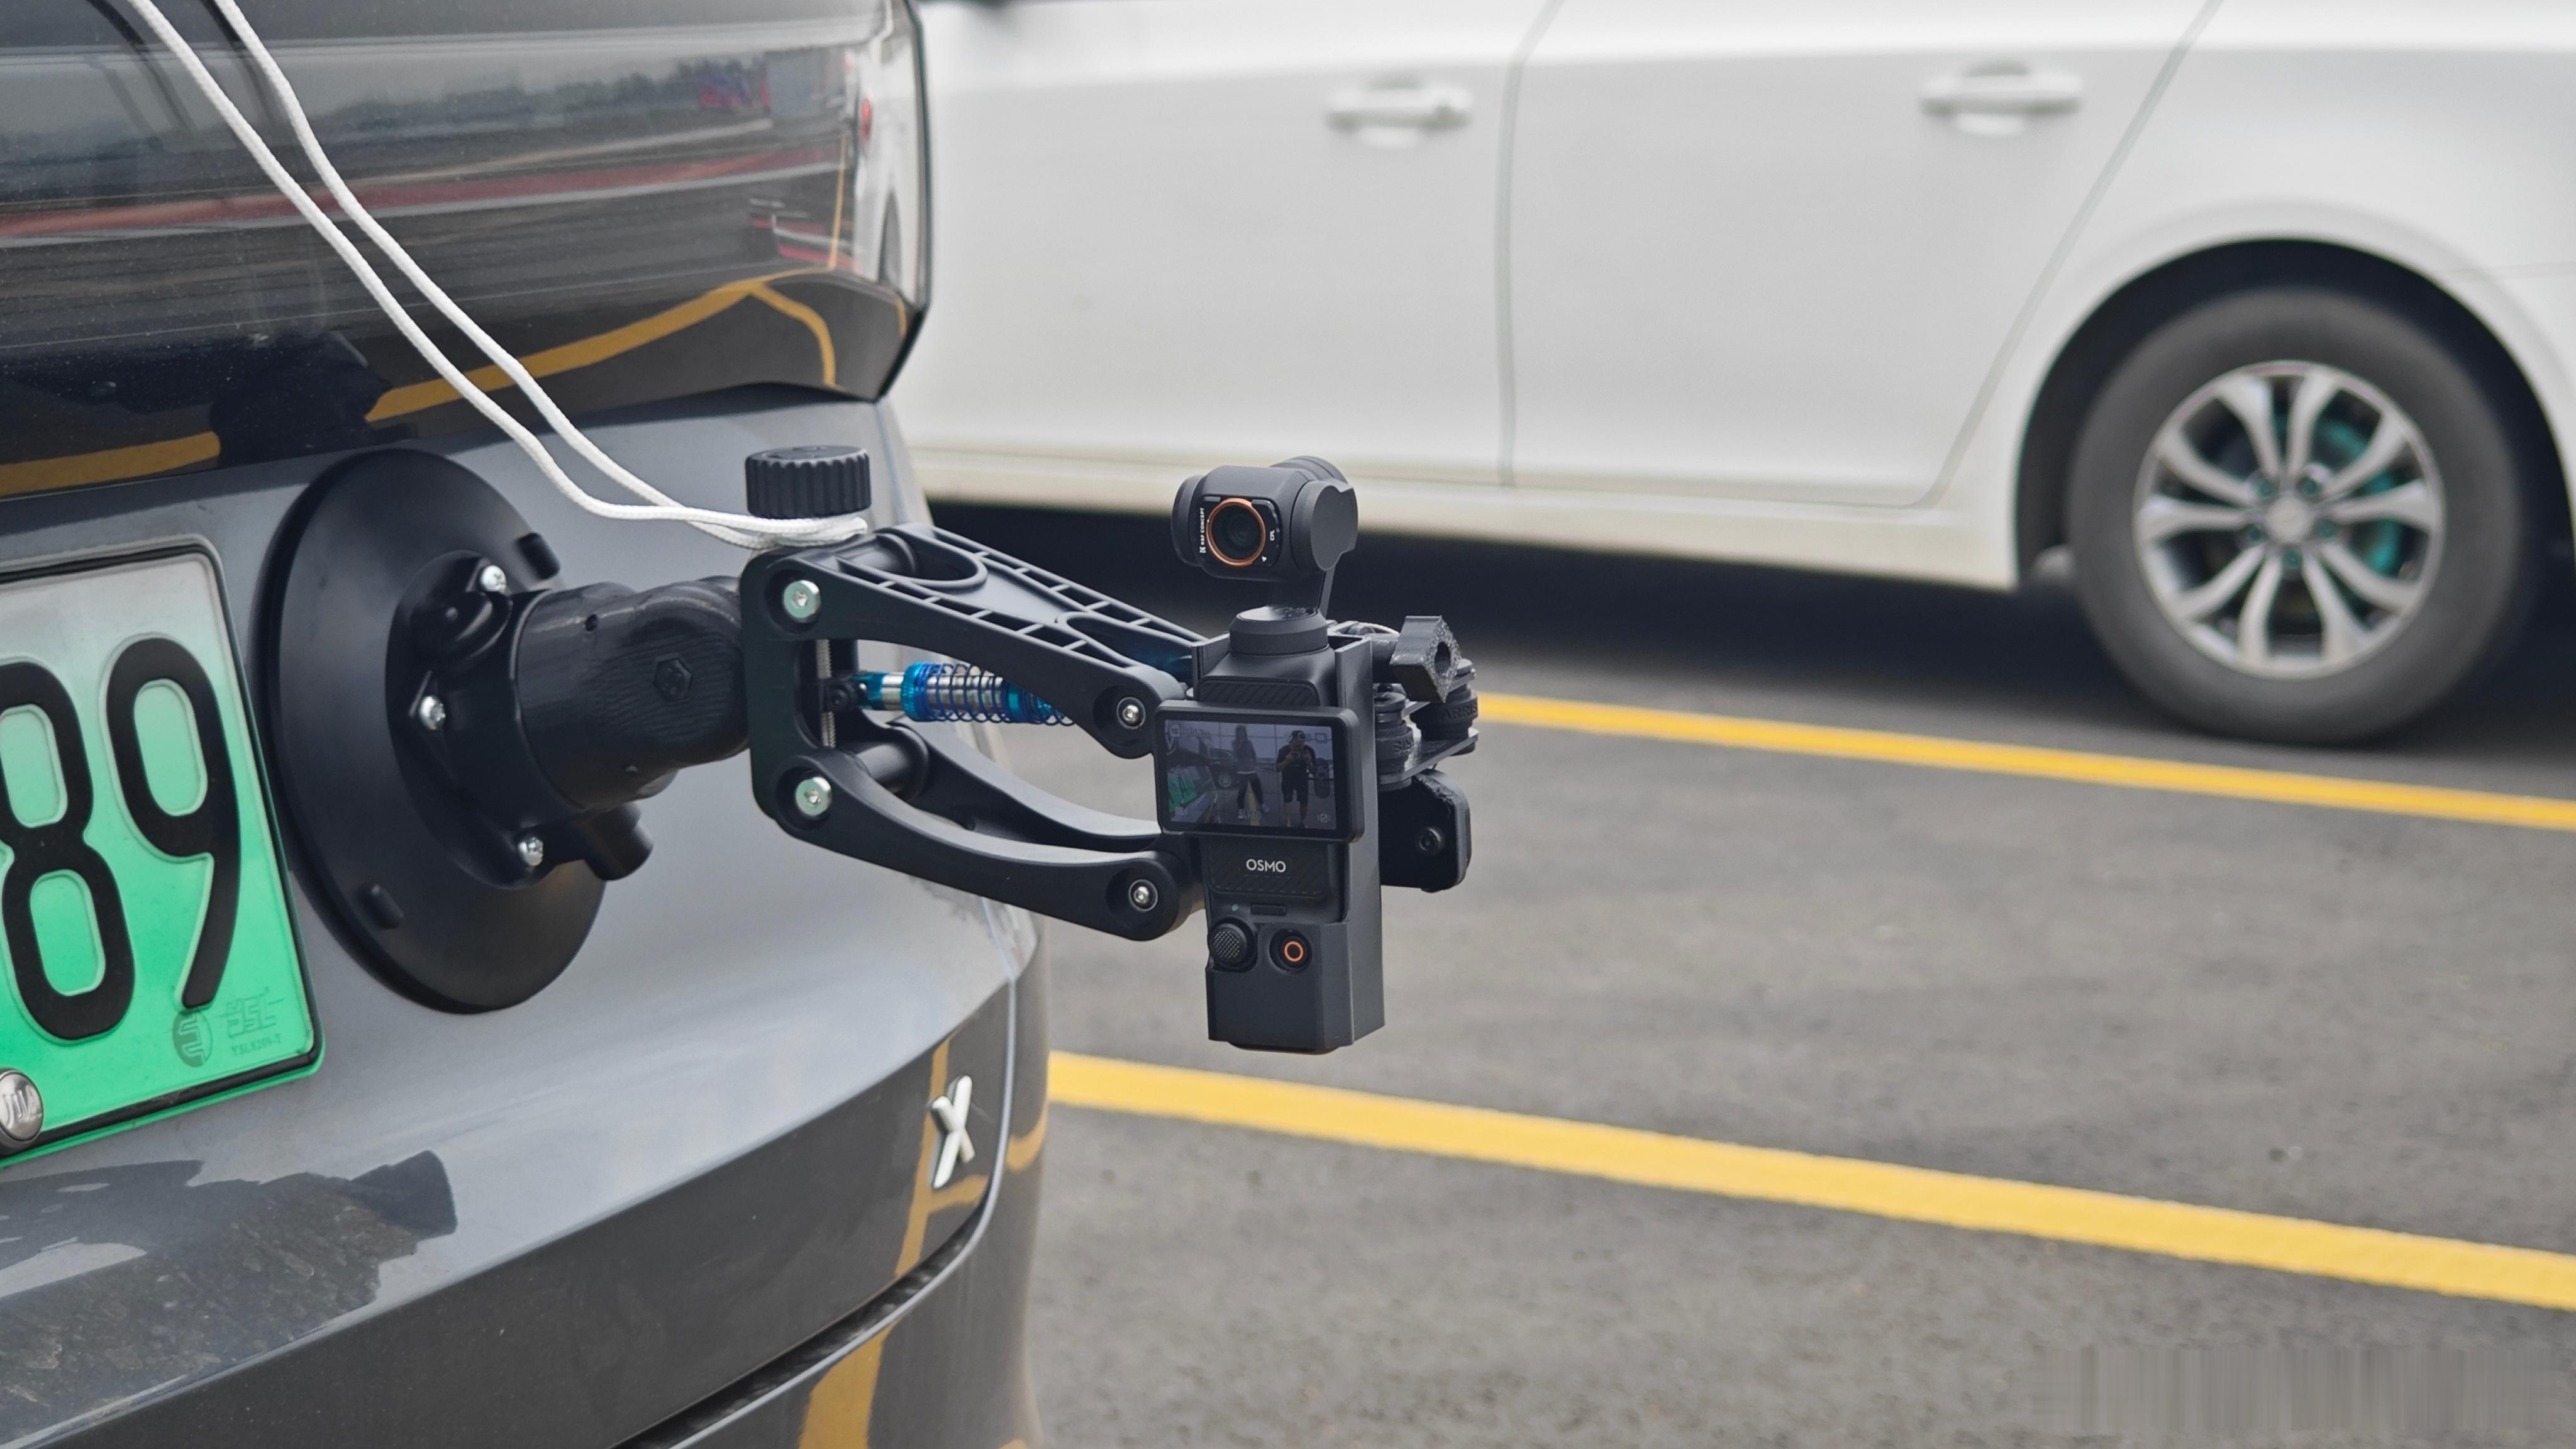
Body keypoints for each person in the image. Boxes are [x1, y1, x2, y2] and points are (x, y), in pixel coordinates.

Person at [1275, 729, 1318, 829]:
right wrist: (1286, 761)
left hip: (1302, 779)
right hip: (1288, 778)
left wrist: (1309, 762)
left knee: (1304, 802)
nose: (1298, 749)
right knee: (1287, 800)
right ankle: (1288, 823)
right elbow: (1277, 769)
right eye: (1295, 746)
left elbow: (1314, 771)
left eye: (1301, 746)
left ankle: (1302, 822)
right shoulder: (1284, 751)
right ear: (1290, 742)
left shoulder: (1309, 751)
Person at [1230, 723, 1265, 826]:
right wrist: (1241, 742)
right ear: (1237, 733)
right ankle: (1241, 810)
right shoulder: (1235, 743)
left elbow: (1253, 754)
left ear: (1245, 733)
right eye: (1239, 732)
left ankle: (1262, 804)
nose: (1241, 734)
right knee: (1242, 792)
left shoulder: (1249, 743)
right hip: (1241, 772)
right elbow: (1236, 754)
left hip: (1251, 770)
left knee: (1258, 789)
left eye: (1242, 732)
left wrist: (1256, 764)